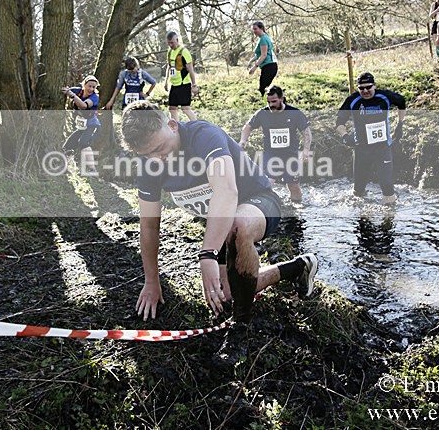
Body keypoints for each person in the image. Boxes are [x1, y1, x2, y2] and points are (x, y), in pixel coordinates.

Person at [120, 100, 318, 357]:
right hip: (221, 221)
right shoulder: (150, 165)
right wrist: (151, 281)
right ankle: (297, 268)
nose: (157, 159)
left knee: (237, 226)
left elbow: (226, 191)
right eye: (146, 155)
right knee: (228, 293)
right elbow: (148, 226)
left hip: (258, 202)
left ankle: (241, 327)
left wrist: (208, 254)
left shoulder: (204, 135)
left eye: (159, 148)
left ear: (172, 125)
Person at [335, 72, 406, 205]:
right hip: (362, 149)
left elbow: (401, 102)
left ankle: (388, 218)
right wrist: (345, 136)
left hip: (383, 147)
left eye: (368, 87)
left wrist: (400, 124)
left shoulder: (384, 96)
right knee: (358, 191)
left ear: (375, 85)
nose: (365, 91)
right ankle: (361, 219)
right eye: (361, 88)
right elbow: (339, 123)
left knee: (386, 185)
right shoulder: (353, 100)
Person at [239, 86, 311, 203]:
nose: (271, 105)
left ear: (282, 99)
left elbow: (306, 132)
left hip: (290, 156)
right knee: (268, 183)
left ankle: (297, 210)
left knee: (294, 186)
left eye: (274, 101)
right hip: (271, 155)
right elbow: (248, 126)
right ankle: (267, 209)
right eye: (268, 102)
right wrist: (243, 140)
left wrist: (306, 150)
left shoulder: (294, 113)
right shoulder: (262, 113)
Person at [62, 75, 100, 175]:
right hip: (81, 126)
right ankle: (66, 168)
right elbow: (65, 90)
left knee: (83, 143)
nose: (91, 89)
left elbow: (83, 106)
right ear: (84, 84)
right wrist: (67, 91)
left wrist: (72, 96)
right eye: (89, 86)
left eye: (94, 87)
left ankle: (92, 169)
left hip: (92, 125)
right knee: (68, 145)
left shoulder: (94, 97)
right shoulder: (78, 91)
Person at [164, 31, 198, 121]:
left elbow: (191, 70)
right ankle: (176, 128)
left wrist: (194, 85)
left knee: (185, 108)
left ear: (177, 40)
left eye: (172, 42)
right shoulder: (170, 51)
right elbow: (169, 66)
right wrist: (166, 81)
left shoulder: (184, 52)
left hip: (184, 84)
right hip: (174, 85)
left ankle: (197, 125)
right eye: (169, 43)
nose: (171, 45)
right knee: (172, 108)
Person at [247, 21, 278, 96]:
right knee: (264, 89)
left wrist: (254, 67)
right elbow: (260, 54)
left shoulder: (263, 39)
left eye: (255, 29)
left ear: (261, 28)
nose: (254, 31)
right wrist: (251, 61)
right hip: (268, 66)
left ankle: (272, 104)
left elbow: (263, 55)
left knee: (263, 89)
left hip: (269, 67)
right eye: (253, 29)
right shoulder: (263, 38)